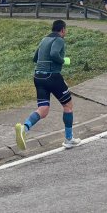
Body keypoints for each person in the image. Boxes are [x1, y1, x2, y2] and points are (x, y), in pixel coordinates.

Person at [15, 20, 81, 150]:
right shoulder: (59, 40)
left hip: (38, 77)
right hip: (52, 76)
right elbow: (54, 54)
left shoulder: (44, 39)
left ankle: (25, 127)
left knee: (43, 110)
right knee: (68, 106)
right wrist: (63, 61)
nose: (65, 32)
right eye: (65, 30)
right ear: (62, 30)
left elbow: (35, 58)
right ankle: (69, 139)